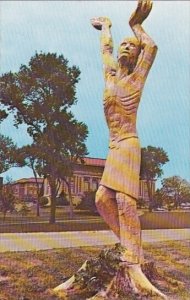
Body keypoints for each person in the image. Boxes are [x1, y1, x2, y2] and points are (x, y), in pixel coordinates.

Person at [90, 0, 167, 298]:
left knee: (125, 202)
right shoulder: (110, 76)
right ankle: (130, 246)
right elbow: (105, 51)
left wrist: (136, 26)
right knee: (101, 199)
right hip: (113, 146)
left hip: (129, 144)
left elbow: (152, 49)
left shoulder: (137, 77)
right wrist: (107, 27)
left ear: (135, 56)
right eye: (124, 45)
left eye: (130, 47)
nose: (125, 48)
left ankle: (131, 261)